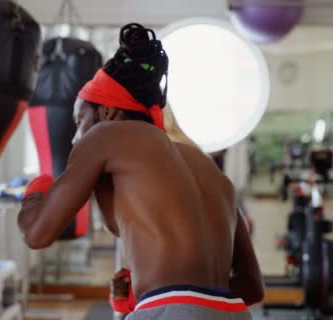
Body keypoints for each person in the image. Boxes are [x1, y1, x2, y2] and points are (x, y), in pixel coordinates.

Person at [18, 23, 263, 319]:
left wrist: (34, 195)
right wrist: (150, 291)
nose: (73, 137)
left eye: (78, 120)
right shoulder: (207, 167)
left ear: (106, 113)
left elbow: (37, 234)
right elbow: (251, 287)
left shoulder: (104, 136)